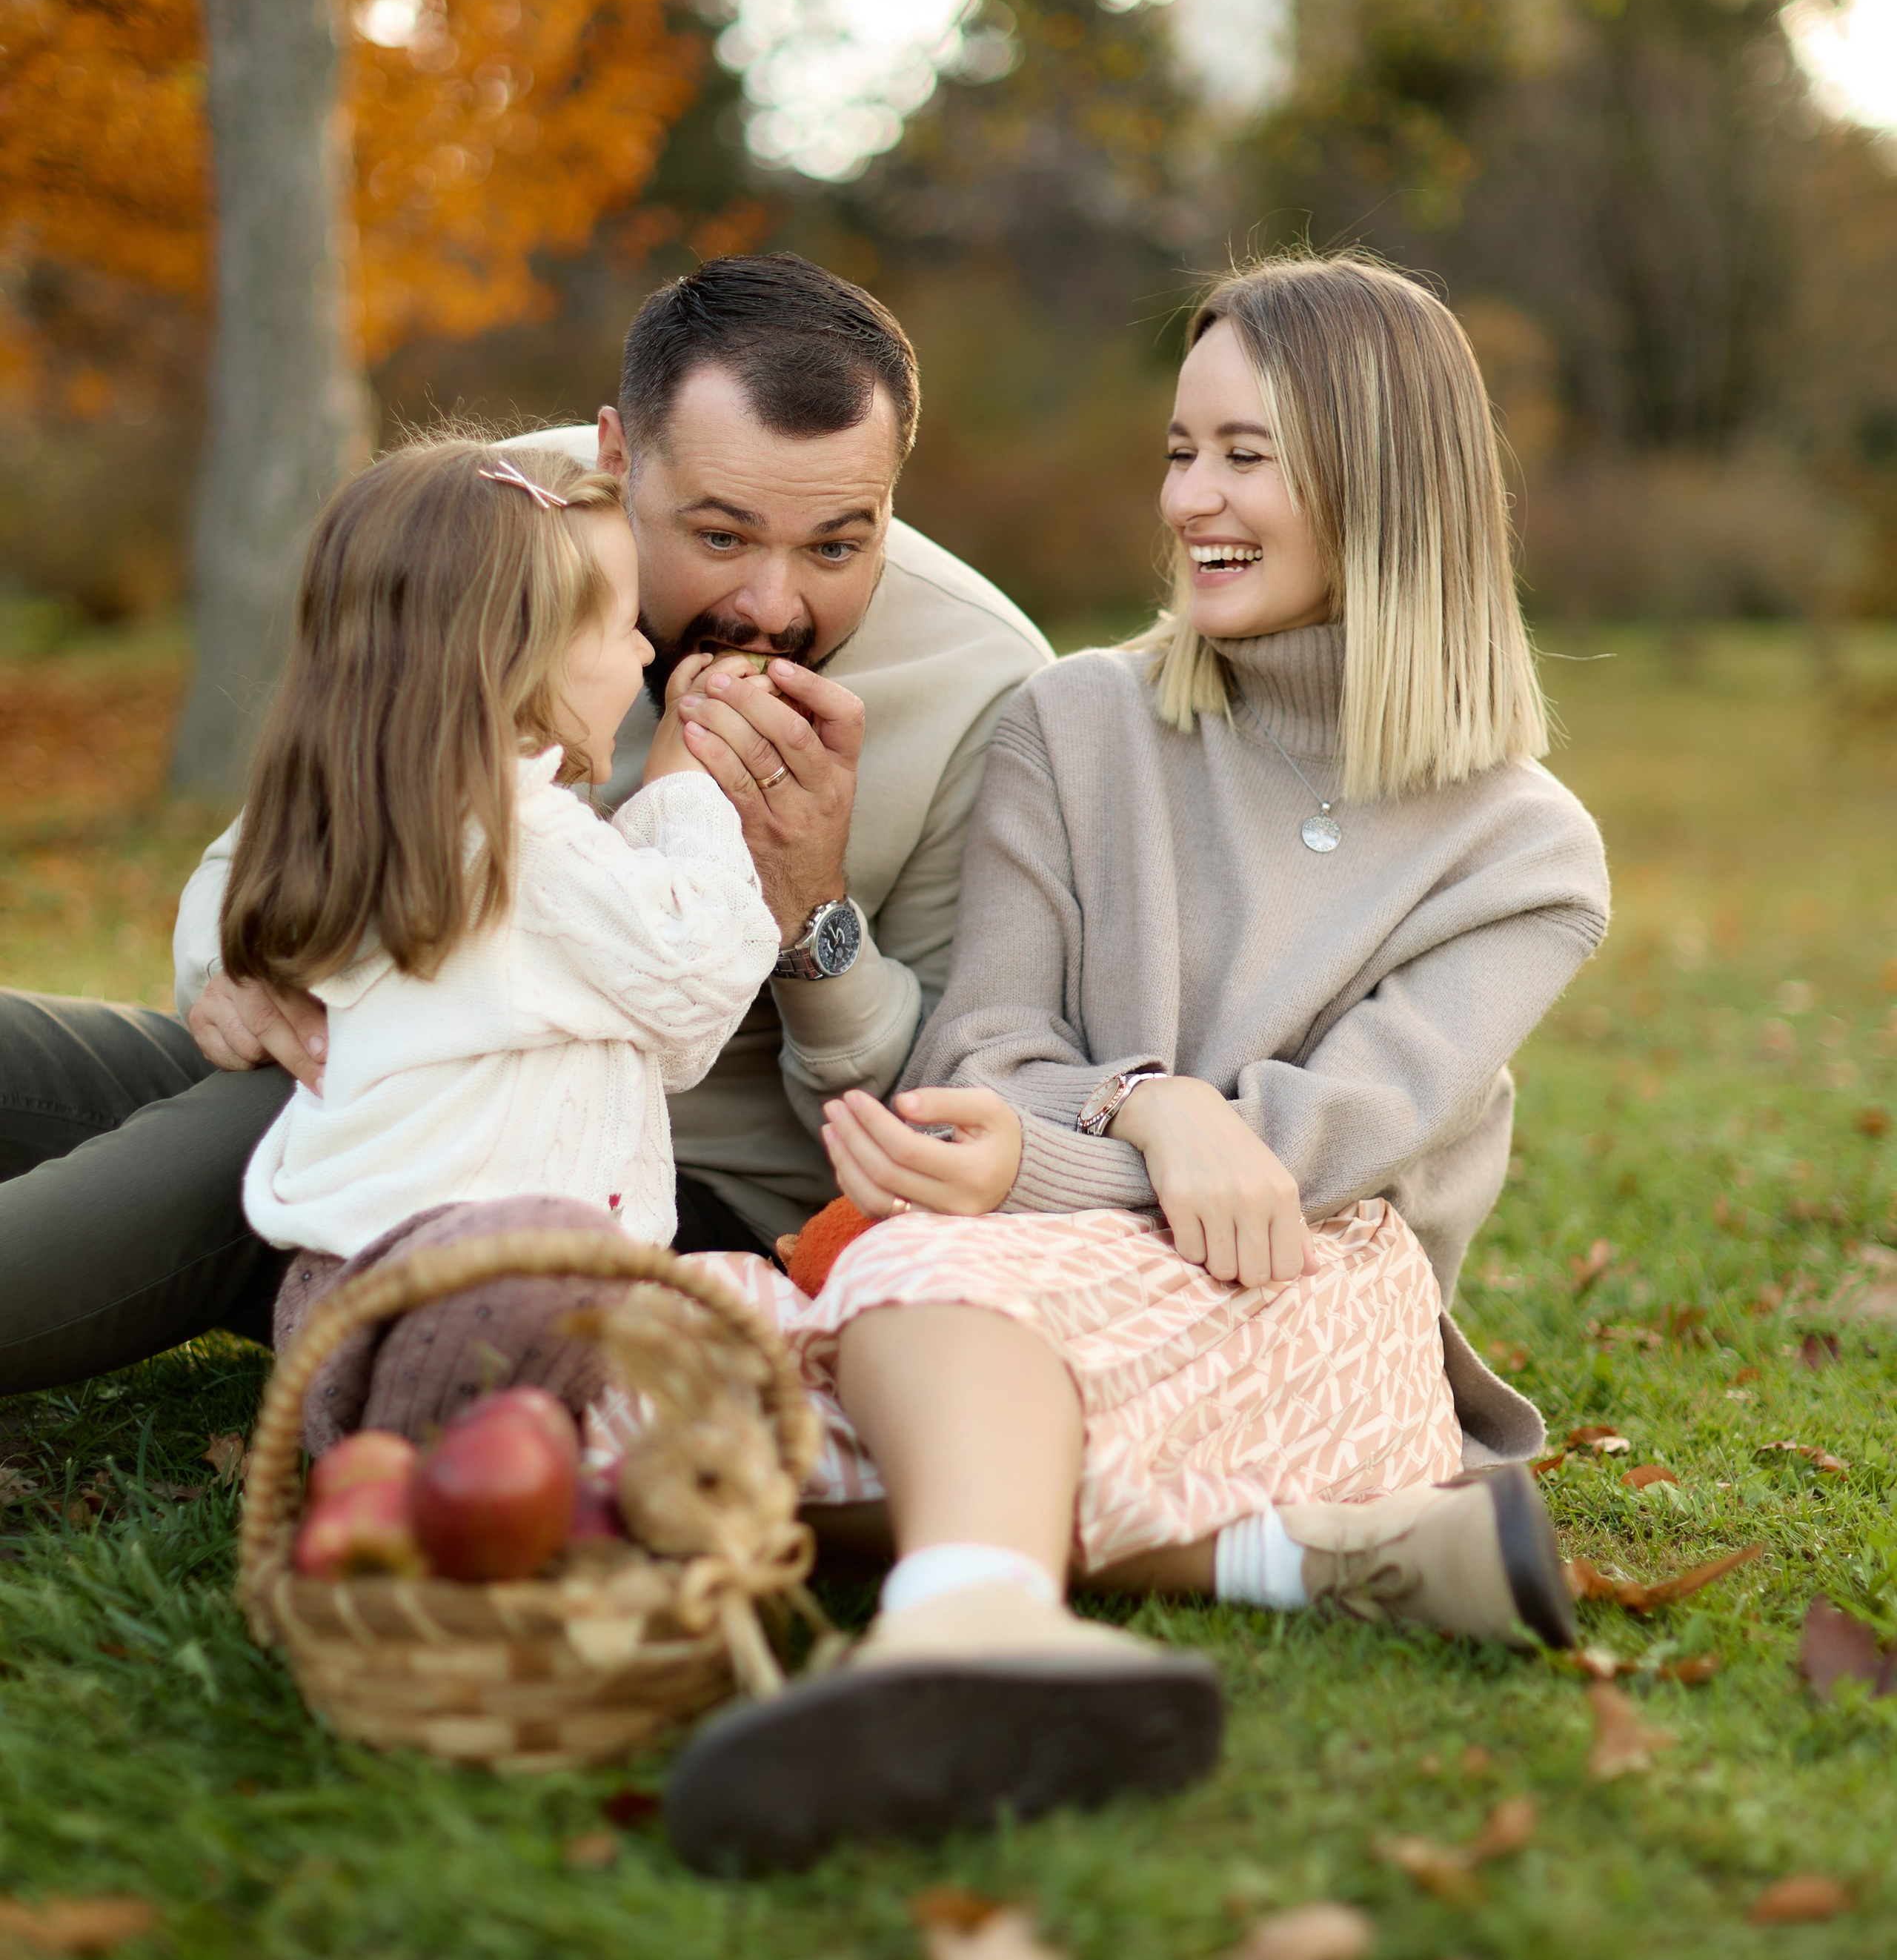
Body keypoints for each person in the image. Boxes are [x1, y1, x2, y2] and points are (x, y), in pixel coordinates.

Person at [661, 253, 1612, 1873]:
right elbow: (989, 1047)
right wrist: (1147, 1110)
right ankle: (1301, 1558)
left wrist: (1051, 1161)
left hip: (1303, 1298)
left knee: (920, 1293)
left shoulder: (1521, 857)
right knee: (672, 1378)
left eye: (1243, 454)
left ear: (1377, 474)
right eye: (1180, 452)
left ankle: (961, 1620)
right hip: (1042, 1255)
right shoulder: (1073, 723)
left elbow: (1306, 1165)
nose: (1190, 500)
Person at [0, 256, 1049, 1395]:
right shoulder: (513, 519)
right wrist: (241, 969)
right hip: (385, 1084)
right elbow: (267, 849)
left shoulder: (986, 686)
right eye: (720, 536)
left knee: (259, 1125)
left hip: (640, 1214)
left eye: (838, 545)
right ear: (614, 456)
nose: (772, 605)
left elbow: (948, 1119)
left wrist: (812, 915)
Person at [222, 436, 779, 1283]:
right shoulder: (526, 840)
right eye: (625, 628)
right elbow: (697, 985)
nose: (643, 656)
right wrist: (682, 793)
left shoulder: (387, 811)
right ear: (521, 657)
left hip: (340, 1277)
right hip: (495, 1291)